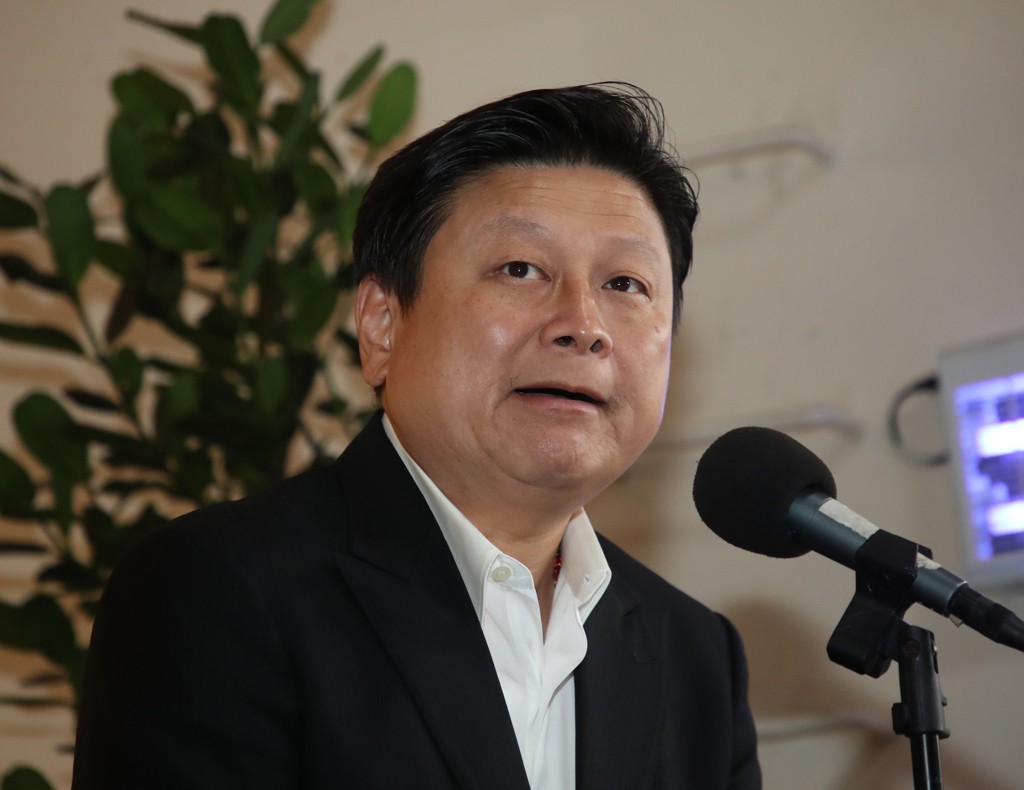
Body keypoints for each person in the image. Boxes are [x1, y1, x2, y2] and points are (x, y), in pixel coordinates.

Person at [72, 83, 761, 789]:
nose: (583, 325)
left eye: (626, 284)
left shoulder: (697, 659)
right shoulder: (217, 591)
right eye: (520, 269)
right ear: (382, 325)